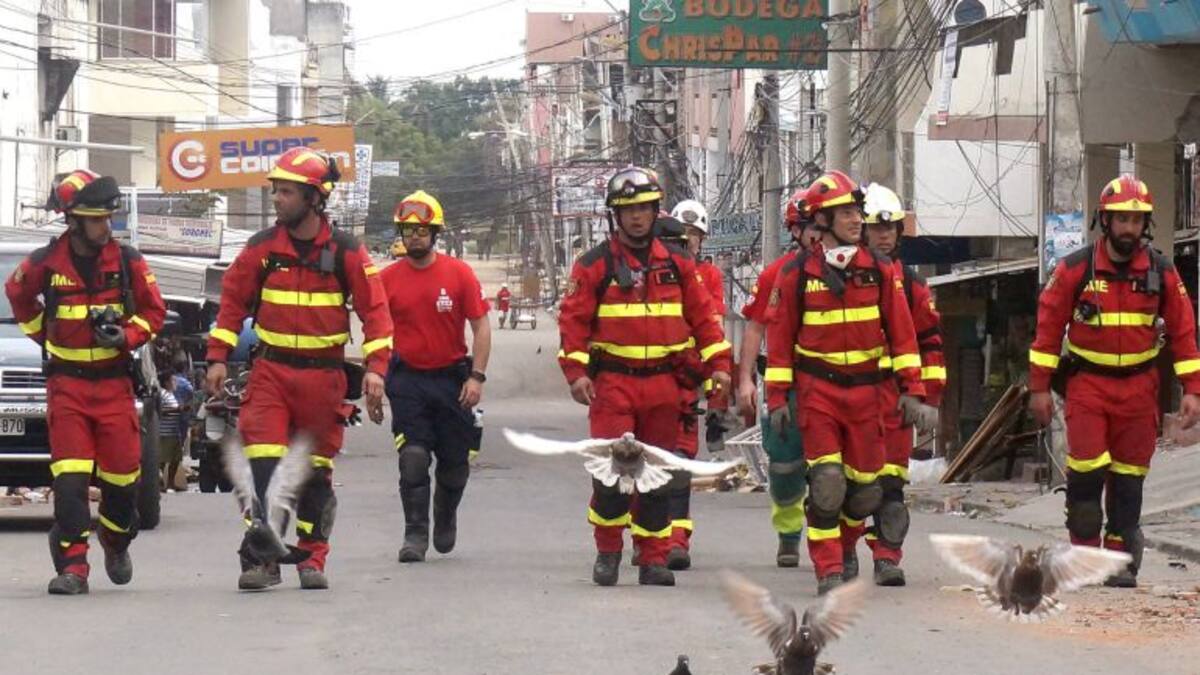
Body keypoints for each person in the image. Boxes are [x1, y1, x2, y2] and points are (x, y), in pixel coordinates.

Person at [205, 147, 393, 591]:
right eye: (276, 191)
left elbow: (377, 314)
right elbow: (231, 304)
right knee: (263, 467)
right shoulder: (262, 250)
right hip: (270, 375)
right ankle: (260, 561)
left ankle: (312, 556)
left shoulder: (347, 252)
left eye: (286, 192)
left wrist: (376, 369)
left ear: (314, 197)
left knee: (313, 476)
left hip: (323, 381)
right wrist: (216, 357)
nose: (277, 200)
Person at [557, 166, 731, 587]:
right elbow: (574, 324)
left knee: (656, 476)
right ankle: (609, 550)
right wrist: (576, 373)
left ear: (656, 211)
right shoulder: (593, 265)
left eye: (644, 208)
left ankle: (653, 557)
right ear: (615, 216)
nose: (636, 217)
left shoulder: (679, 263)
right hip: (614, 384)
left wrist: (719, 366)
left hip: (665, 386)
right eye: (628, 210)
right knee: (615, 475)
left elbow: (704, 321)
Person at [1028, 174, 1200, 588]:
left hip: (1141, 390)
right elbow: (1047, 331)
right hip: (1088, 385)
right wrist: (1038, 388)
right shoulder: (1074, 270)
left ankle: (1119, 555)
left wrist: (1193, 389)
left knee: (1129, 480)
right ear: (1104, 221)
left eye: (1136, 221)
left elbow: (1184, 332)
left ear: (1146, 225)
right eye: (1121, 219)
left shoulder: (1162, 272)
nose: (1128, 228)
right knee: (1086, 473)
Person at [764, 170, 928, 595]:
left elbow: (903, 335)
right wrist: (777, 398)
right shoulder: (796, 274)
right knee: (827, 482)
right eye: (848, 213)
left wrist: (913, 389)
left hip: (869, 395)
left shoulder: (881, 270)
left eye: (859, 212)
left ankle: (848, 545)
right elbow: (779, 341)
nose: (859, 220)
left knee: (864, 491)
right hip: (819, 393)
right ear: (822, 221)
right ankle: (829, 567)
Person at [5, 168, 166, 595]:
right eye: (96, 219)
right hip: (68, 387)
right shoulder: (44, 263)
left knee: (120, 483)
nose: (105, 226)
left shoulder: (128, 260)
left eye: (108, 218)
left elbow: (154, 312)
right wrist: (45, 333)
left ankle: (116, 541)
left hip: (115, 386)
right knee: (71, 479)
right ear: (73, 220)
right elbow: (17, 294)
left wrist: (126, 336)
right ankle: (73, 568)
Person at [381, 190, 492, 564]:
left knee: (454, 462)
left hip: (451, 380)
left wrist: (476, 377)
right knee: (412, 457)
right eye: (408, 229)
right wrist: (374, 376)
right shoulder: (387, 279)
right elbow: (376, 333)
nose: (414, 236)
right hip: (407, 381)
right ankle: (415, 532)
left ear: (435, 233)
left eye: (422, 229)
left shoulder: (458, 273)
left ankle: (445, 513)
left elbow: (481, 326)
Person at [859, 183, 945, 587]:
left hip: (894, 398)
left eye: (891, 226)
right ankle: (839, 555)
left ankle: (887, 556)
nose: (885, 234)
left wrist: (927, 399)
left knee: (891, 485)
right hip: (848, 398)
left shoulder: (912, 286)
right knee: (848, 485)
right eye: (877, 227)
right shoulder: (842, 277)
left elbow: (930, 342)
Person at [734, 188, 819, 568]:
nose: (820, 234)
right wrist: (746, 380)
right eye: (813, 227)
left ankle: (831, 544)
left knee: (833, 469)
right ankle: (788, 533)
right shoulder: (777, 274)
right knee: (785, 465)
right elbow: (754, 328)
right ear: (796, 231)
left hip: (836, 384)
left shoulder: (858, 273)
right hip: (787, 385)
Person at [158, 372, 184, 492]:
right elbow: (158, 410)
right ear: (166, 382)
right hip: (164, 433)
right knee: (162, 459)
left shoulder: (172, 394)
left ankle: (171, 484)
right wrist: (176, 409)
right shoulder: (161, 394)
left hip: (174, 432)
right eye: (173, 380)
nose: (175, 383)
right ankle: (158, 484)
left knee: (175, 459)